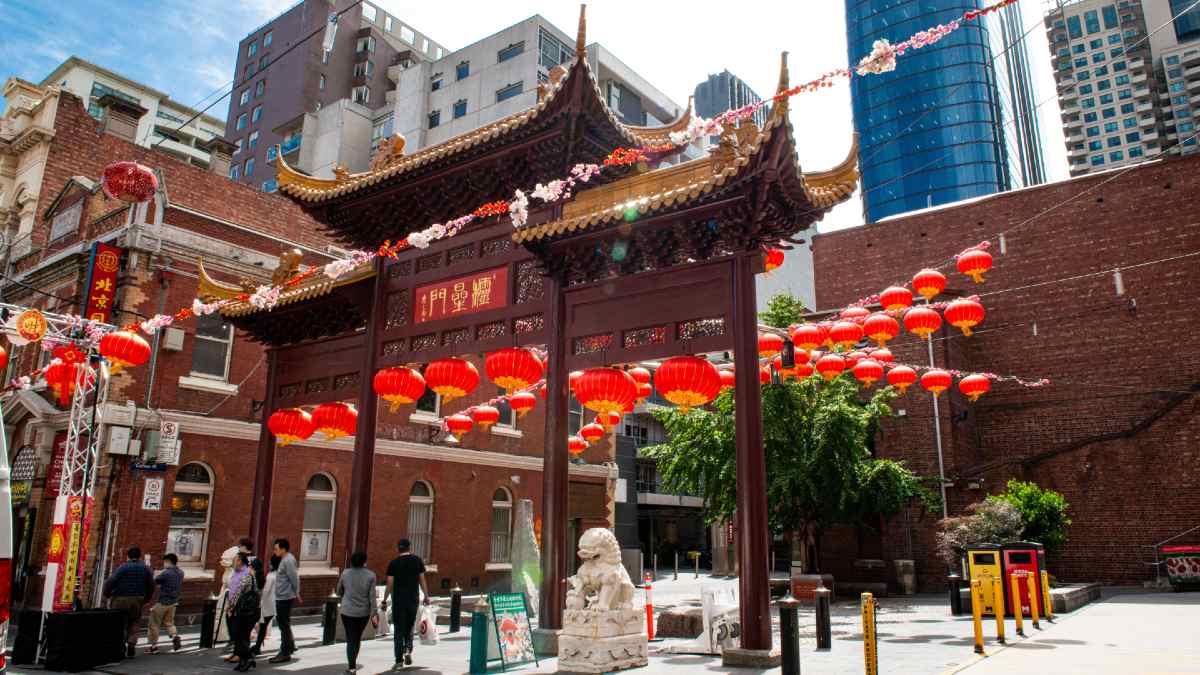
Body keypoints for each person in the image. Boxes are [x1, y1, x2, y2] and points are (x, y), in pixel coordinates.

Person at [383, 538, 430, 668]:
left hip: (398, 601)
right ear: (410, 547)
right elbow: (422, 580)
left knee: (399, 630)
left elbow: (390, 584)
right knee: (409, 626)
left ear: (398, 548)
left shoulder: (394, 563)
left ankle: (398, 660)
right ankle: (408, 649)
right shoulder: (417, 561)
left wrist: (384, 599)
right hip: (413, 600)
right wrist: (426, 596)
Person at [104, 545, 155, 659]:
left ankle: (119, 646)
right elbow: (151, 586)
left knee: (119, 622)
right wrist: (146, 599)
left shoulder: (123, 567)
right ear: (139, 556)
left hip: (120, 599)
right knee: (134, 622)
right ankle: (131, 643)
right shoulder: (146, 569)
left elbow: (110, 581)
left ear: (128, 556)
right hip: (138, 599)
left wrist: (107, 594)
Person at [337, 551, 378, 673]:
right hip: (363, 612)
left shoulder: (345, 573)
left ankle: (351, 666)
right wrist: (374, 613)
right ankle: (353, 663)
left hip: (347, 610)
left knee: (350, 638)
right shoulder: (371, 575)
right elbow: (372, 597)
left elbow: (339, 591)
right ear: (364, 562)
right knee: (357, 637)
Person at [226, 552, 260, 672]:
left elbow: (238, 593)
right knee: (243, 637)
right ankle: (244, 661)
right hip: (250, 611)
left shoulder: (246, 576)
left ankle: (248, 658)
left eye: (235, 560)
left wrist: (231, 608)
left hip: (243, 611)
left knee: (239, 636)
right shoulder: (250, 577)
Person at [146, 553, 184, 654]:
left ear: (168, 562)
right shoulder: (181, 572)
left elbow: (155, 581)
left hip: (163, 601)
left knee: (154, 623)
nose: (164, 564)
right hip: (173, 602)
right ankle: (175, 636)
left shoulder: (166, 573)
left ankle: (153, 646)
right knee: (169, 622)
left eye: (165, 562)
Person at [268, 538, 299, 663]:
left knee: (283, 624)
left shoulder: (289, 560)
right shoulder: (285, 560)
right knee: (284, 623)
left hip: (285, 597)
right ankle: (289, 647)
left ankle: (285, 652)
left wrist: (297, 593)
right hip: (282, 596)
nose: (274, 551)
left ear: (283, 549)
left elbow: (294, 578)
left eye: (276, 549)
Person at [251, 555, 279, 656]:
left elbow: (266, 591)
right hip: (275, 603)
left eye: (270, 562)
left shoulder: (270, 576)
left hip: (267, 604)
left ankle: (257, 647)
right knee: (264, 626)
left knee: (262, 626)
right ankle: (257, 646)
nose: (269, 564)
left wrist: (260, 602)